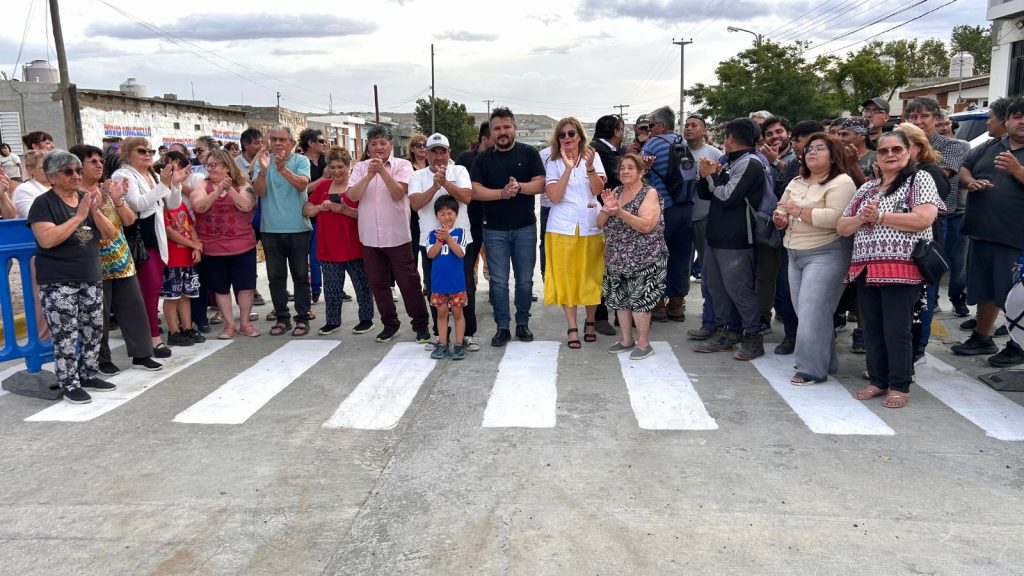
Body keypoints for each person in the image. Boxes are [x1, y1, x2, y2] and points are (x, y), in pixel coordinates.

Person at [837, 131, 943, 409]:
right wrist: (862, 218)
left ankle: (899, 385)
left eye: (897, 149)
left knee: (897, 330)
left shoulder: (919, 179)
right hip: (866, 268)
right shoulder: (867, 188)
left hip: (902, 267)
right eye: (884, 151)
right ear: (878, 157)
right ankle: (878, 380)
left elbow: (924, 218)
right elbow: (842, 226)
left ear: (909, 152)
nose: (890, 154)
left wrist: (880, 217)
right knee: (872, 329)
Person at [27, 150, 117, 404]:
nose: (76, 175)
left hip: (90, 276)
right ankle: (69, 383)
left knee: (93, 330)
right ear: (52, 176)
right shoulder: (43, 204)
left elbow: (109, 234)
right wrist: (79, 216)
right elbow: (47, 239)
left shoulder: (84, 198)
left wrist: (94, 212)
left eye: (78, 170)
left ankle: (88, 374)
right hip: (58, 280)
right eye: (68, 171)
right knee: (66, 334)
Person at [68, 144, 162, 374]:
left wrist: (118, 200)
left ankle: (142, 354)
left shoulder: (107, 190)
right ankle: (102, 360)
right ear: (78, 166)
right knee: (98, 315)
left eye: (101, 160)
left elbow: (129, 221)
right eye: (92, 161)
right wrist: (95, 209)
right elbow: (81, 235)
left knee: (134, 308)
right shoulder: (75, 196)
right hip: (95, 264)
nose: (99, 164)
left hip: (121, 259)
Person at [773, 134, 856, 384]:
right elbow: (782, 206)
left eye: (820, 148)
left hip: (826, 252)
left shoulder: (842, 182)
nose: (812, 152)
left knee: (811, 313)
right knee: (809, 312)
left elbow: (835, 218)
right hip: (794, 252)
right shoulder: (797, 181)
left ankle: (810, 369)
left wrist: (797, 211)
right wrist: (780, 217)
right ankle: (825, 362)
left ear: (834, 156)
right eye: (809, 149)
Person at [950, 98, 1024, 368]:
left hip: (1015, 240)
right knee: (986, 291)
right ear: (1008, 120)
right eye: (1018, 116)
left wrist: (1018, 171)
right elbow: (965, 166)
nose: (1022, 122)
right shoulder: (992, 146)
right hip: (981, 234)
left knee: (1016, 297)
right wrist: (970, 182)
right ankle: (983, 337)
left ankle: (1018, 346)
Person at [470, 107, 546, 347]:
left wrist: (519, 188)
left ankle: (522, 323)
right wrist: (502, 194)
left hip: (525, 228)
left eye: (506, 127)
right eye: (497, 128)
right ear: (491, 133)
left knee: (524, 280)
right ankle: (502, 326)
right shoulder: (483, 158)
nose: (502, 132)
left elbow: (541, 184)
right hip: (494, 230)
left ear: (515, 128)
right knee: (499, 281)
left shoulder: (529, 153)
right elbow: (475, 190)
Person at [347, 125, 430, 343]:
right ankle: (390, 324)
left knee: (409, 283)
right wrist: (369, 174)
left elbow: (398, 193)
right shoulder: (360, 168)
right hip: (369, 237)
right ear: (368, 147)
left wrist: (382, 171)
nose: (378, 148)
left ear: (390, 145)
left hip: (397, 235)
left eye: (383, 143)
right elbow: (353, 196)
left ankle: (420, 325)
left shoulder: (403, 165)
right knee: (378, 284)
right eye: (373, 144)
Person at [693, 118, 767, 360]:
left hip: (737, 238)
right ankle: (727, 332)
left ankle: (753, 336)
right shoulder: (728, 161)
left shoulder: (751, 163)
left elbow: (727, 196)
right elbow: (707, 194)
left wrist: (711, 176)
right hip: (716, 235)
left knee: (739, 290)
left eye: (726, 135)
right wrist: (704, 175)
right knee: (716, 288)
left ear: (731, 138)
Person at [113, 137, 188, 359]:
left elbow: (172, 204)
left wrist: (175, 184)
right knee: (149, 288)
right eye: (141, 151)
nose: (148, 154)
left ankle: (149, 335)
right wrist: (164, 185)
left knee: (152, 288)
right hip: (140, 236)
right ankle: (152, 338)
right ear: (127, 153)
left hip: (155, 235)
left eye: (150, 151)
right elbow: (137, 204)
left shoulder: (152, 174)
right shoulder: (123, 175)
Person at [409, 133, 478, 350]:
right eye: (434, 152)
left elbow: (466, 197)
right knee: (434, 289)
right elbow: (415, 204)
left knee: (465, 286)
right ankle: (441, 336)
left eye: (443, 152)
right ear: (427, 154)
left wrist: (445, 182)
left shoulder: (460, 171)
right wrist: (433, 186)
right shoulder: (417, 176)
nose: (439, 156)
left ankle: (467, 334)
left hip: (459, 240)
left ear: (449, 153)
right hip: (431, 242)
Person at [543, 117, 607, 348]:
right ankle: (572, 327)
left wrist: (589, 168)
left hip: (590, 226)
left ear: (579, 135)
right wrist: (568, 170)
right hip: (562, 227)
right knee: (566, 278)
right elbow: (554, 196)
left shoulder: (593, 157)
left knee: (592, 276)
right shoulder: (554, 162)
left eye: (571, 133)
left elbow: (598, 190)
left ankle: (590, 322)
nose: (567, 138)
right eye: (562, 135)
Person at [905, 97, 970, 319]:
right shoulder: (898, 144)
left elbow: (938, 177)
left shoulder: (952, 146)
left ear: (935, 118)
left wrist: (914, 147)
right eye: (913, 116)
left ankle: (954, 300)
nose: (918, 121)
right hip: (905, 217)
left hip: (943, 217)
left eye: (924, 116)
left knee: (935, 270)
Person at [597, 153, 667, 360]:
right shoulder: (616, 192)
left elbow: (646, 225)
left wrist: (619, 212)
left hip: (645, 258)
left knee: (640, 302)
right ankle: (626, 340)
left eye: (630, 167)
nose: (625, 171)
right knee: (620, 302)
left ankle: (644, 343)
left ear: (641, 171)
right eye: (622, 168)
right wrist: (606, 210)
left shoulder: (649, 193)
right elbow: (599, 224)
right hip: (617, 258)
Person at [303, 147, 375, 336]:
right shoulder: (323, 186)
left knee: (362, 286)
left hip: (354, 246)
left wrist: (344, 210)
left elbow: (366, 214)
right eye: (332, 167)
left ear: (349, 166)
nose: (336, 171)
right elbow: (307, 209)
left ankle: (366, 319)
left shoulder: (356, 187)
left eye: (340, 167)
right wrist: (320, 207)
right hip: (328, 246)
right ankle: (332, 321)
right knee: (331, 288)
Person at [191, 149, 261, 339]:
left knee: (245, 287)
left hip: (242, 246)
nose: (210, 169)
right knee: (221, 288)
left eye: (215, 165)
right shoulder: (201, 185)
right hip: (212, 248)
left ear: (227, 166)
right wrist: (217, 192)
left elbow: (246, 206)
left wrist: (229, 189)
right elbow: (199, 207)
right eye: (208, 165)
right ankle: (229, 325)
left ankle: (245, 324)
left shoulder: (243, 184)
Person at [894, 122, 949, 363]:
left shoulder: (930, 173)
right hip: (900, 244)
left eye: (901, 146)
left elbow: (925, 211)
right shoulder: (899, 171)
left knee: (922, 300)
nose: (893, 153)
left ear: (917, 146)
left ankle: (918, 350)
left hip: (923, 245)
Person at [252, 126, 313, 337]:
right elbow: (258, 192)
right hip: (270, 229)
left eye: (282, 139)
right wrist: (263, 170)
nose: (278, 143)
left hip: (298, 228)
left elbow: (302, 185)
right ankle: (282, 317)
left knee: (300, 275)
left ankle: (303, 318)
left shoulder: (301, 161)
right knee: (275, 277)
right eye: (274, 139)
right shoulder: (263, 161)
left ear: (292, 143)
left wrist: (282, 169)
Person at [642, 105, 692, 323]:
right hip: (685, 207)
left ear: (662, 126)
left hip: (663, 208)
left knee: (656, 256)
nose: (649, 129)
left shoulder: (653, 144)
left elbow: (638, 171)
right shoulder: (682, 142)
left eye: (652, 125)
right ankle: (677, 305)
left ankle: (658, 305)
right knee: (681, 256)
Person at [161, 180, 205, 347]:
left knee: (186, 296)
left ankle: (187, 328)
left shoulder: (181, 205)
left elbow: (191, 227)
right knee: (172, 297)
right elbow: (169, 232)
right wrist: (194, 244)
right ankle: (174, 332)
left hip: (187, 258)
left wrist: (195, 248)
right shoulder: (162, 208)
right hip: (171, 260)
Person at [426, 195, 469, 361]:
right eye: (442, 214)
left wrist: (448, 238)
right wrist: (439, 240)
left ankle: (459, 344)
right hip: (439, 284)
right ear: (436, 216)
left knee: (458, 313)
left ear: (456, 215)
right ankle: (443, 343)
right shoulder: (432, 234)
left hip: (456, 283)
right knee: (442, 313)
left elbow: (460, 253)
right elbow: (431, 254)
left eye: (450, 213)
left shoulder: (460, 232)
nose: (446, 217)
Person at [455, 121, 491, 296]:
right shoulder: (465, 158)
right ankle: (466, 300)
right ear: (485, 139)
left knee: (496, 264)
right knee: (468, 265)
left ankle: (496, 297)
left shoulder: (499, 158)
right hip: (471, 221)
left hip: (495, 221)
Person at [299, 128, 329, 306]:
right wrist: (323, 179)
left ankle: (324, 288)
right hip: (305, 214)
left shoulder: (326, 161)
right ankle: (310, 290)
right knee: (305, 258)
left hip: (325, 215)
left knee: (321, 255)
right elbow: (302, 188)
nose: (325, 144)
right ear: (310, 143)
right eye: (321, 141)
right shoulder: (301, 163)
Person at [836, 117, 875, 187]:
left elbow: (868, 188)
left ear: (862, 136)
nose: (840, 139)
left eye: (845, 134)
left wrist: (852, 164)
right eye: (839, 134)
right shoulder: (835, 157)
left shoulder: (877, 158)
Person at [13, 150, 50, 218]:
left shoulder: (60, 187)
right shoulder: (24, 190)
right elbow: (33, 216)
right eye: (43, 168)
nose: (49, 170)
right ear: (30, 169)